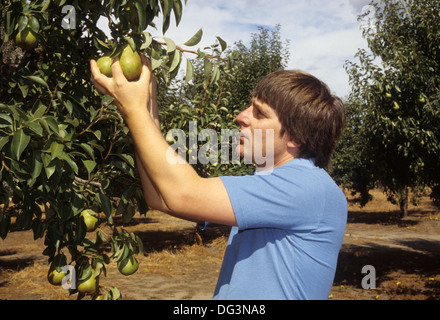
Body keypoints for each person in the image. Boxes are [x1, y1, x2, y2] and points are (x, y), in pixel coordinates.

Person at [90, 54, 347, 300]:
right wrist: (146, 106)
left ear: (295, 138)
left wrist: (134, 111)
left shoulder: (306, 187)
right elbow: (162, 198)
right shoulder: (274, 184)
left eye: (259, 113)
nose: (241, 116)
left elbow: (182, 194)